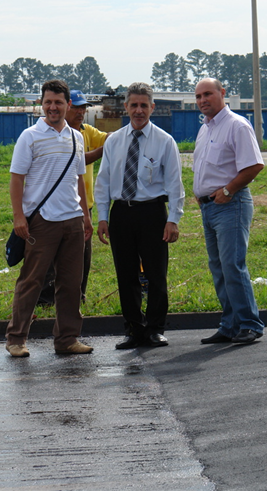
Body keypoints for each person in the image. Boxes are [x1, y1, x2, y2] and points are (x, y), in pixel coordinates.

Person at [5, 79, 94, 357]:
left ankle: (67, 339)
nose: (52, 107)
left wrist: (86, 217)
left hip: (73, 220)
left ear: (68, 105)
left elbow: (79, 179)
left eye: (58, 102)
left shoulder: (76, 137)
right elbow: (16, 179)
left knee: (71, 283)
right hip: (42, 220)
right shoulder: (29, 136)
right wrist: (19, 217)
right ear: (41, 105)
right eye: (48, 102)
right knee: (31, 280)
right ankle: (16, 339)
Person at [94, 82, 185, 349]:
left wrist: (173, 219)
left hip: (153, 213)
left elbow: (175, 184)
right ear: (126, 107)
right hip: (122, 213)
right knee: (126, 274)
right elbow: (103, 182)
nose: (138, 110)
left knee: (156, 274)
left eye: (144, 105)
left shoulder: (165, 142)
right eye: (133, 105)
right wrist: (102, 217)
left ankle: (155, 329)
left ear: (152, 108)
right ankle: (134, 329)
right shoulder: (114, 141)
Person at [193, 78, 265, 344]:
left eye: (208, 94)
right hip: (209, 207)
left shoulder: (237, 126)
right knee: (219, 268)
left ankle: (250, 323)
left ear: (223, 93)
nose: (202, 100)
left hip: (230, 205)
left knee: (233, 265)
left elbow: (254, 165)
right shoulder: (204, 129)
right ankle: (230, 324)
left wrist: (227, 190)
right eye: (198, 96)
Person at [37, 89, 108, 305]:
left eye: (83, 107)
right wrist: (102, 151)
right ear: (67, 106)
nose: (80, 111)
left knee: (82, 256)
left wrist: (123, 135)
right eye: (76, 107)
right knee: (50, 255)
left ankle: (78, 295)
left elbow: (109, 139)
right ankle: (46, 298)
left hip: (83, 206)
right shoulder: (57, 133)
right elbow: (77, 159)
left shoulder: (87, 131)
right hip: (56, 205)